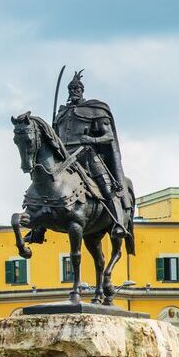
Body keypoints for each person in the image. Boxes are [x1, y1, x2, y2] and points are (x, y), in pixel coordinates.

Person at [53, 70, 127, 235]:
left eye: (77, 88)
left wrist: (92, 140)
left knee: (108, 189)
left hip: (86, 156)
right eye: (71, 89)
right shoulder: (61, 113)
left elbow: (108, 136)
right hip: (64, 159)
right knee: (46, 182)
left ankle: (119, 224)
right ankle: (38, 228)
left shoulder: (94, 109)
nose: (74, 91)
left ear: (82, 90)